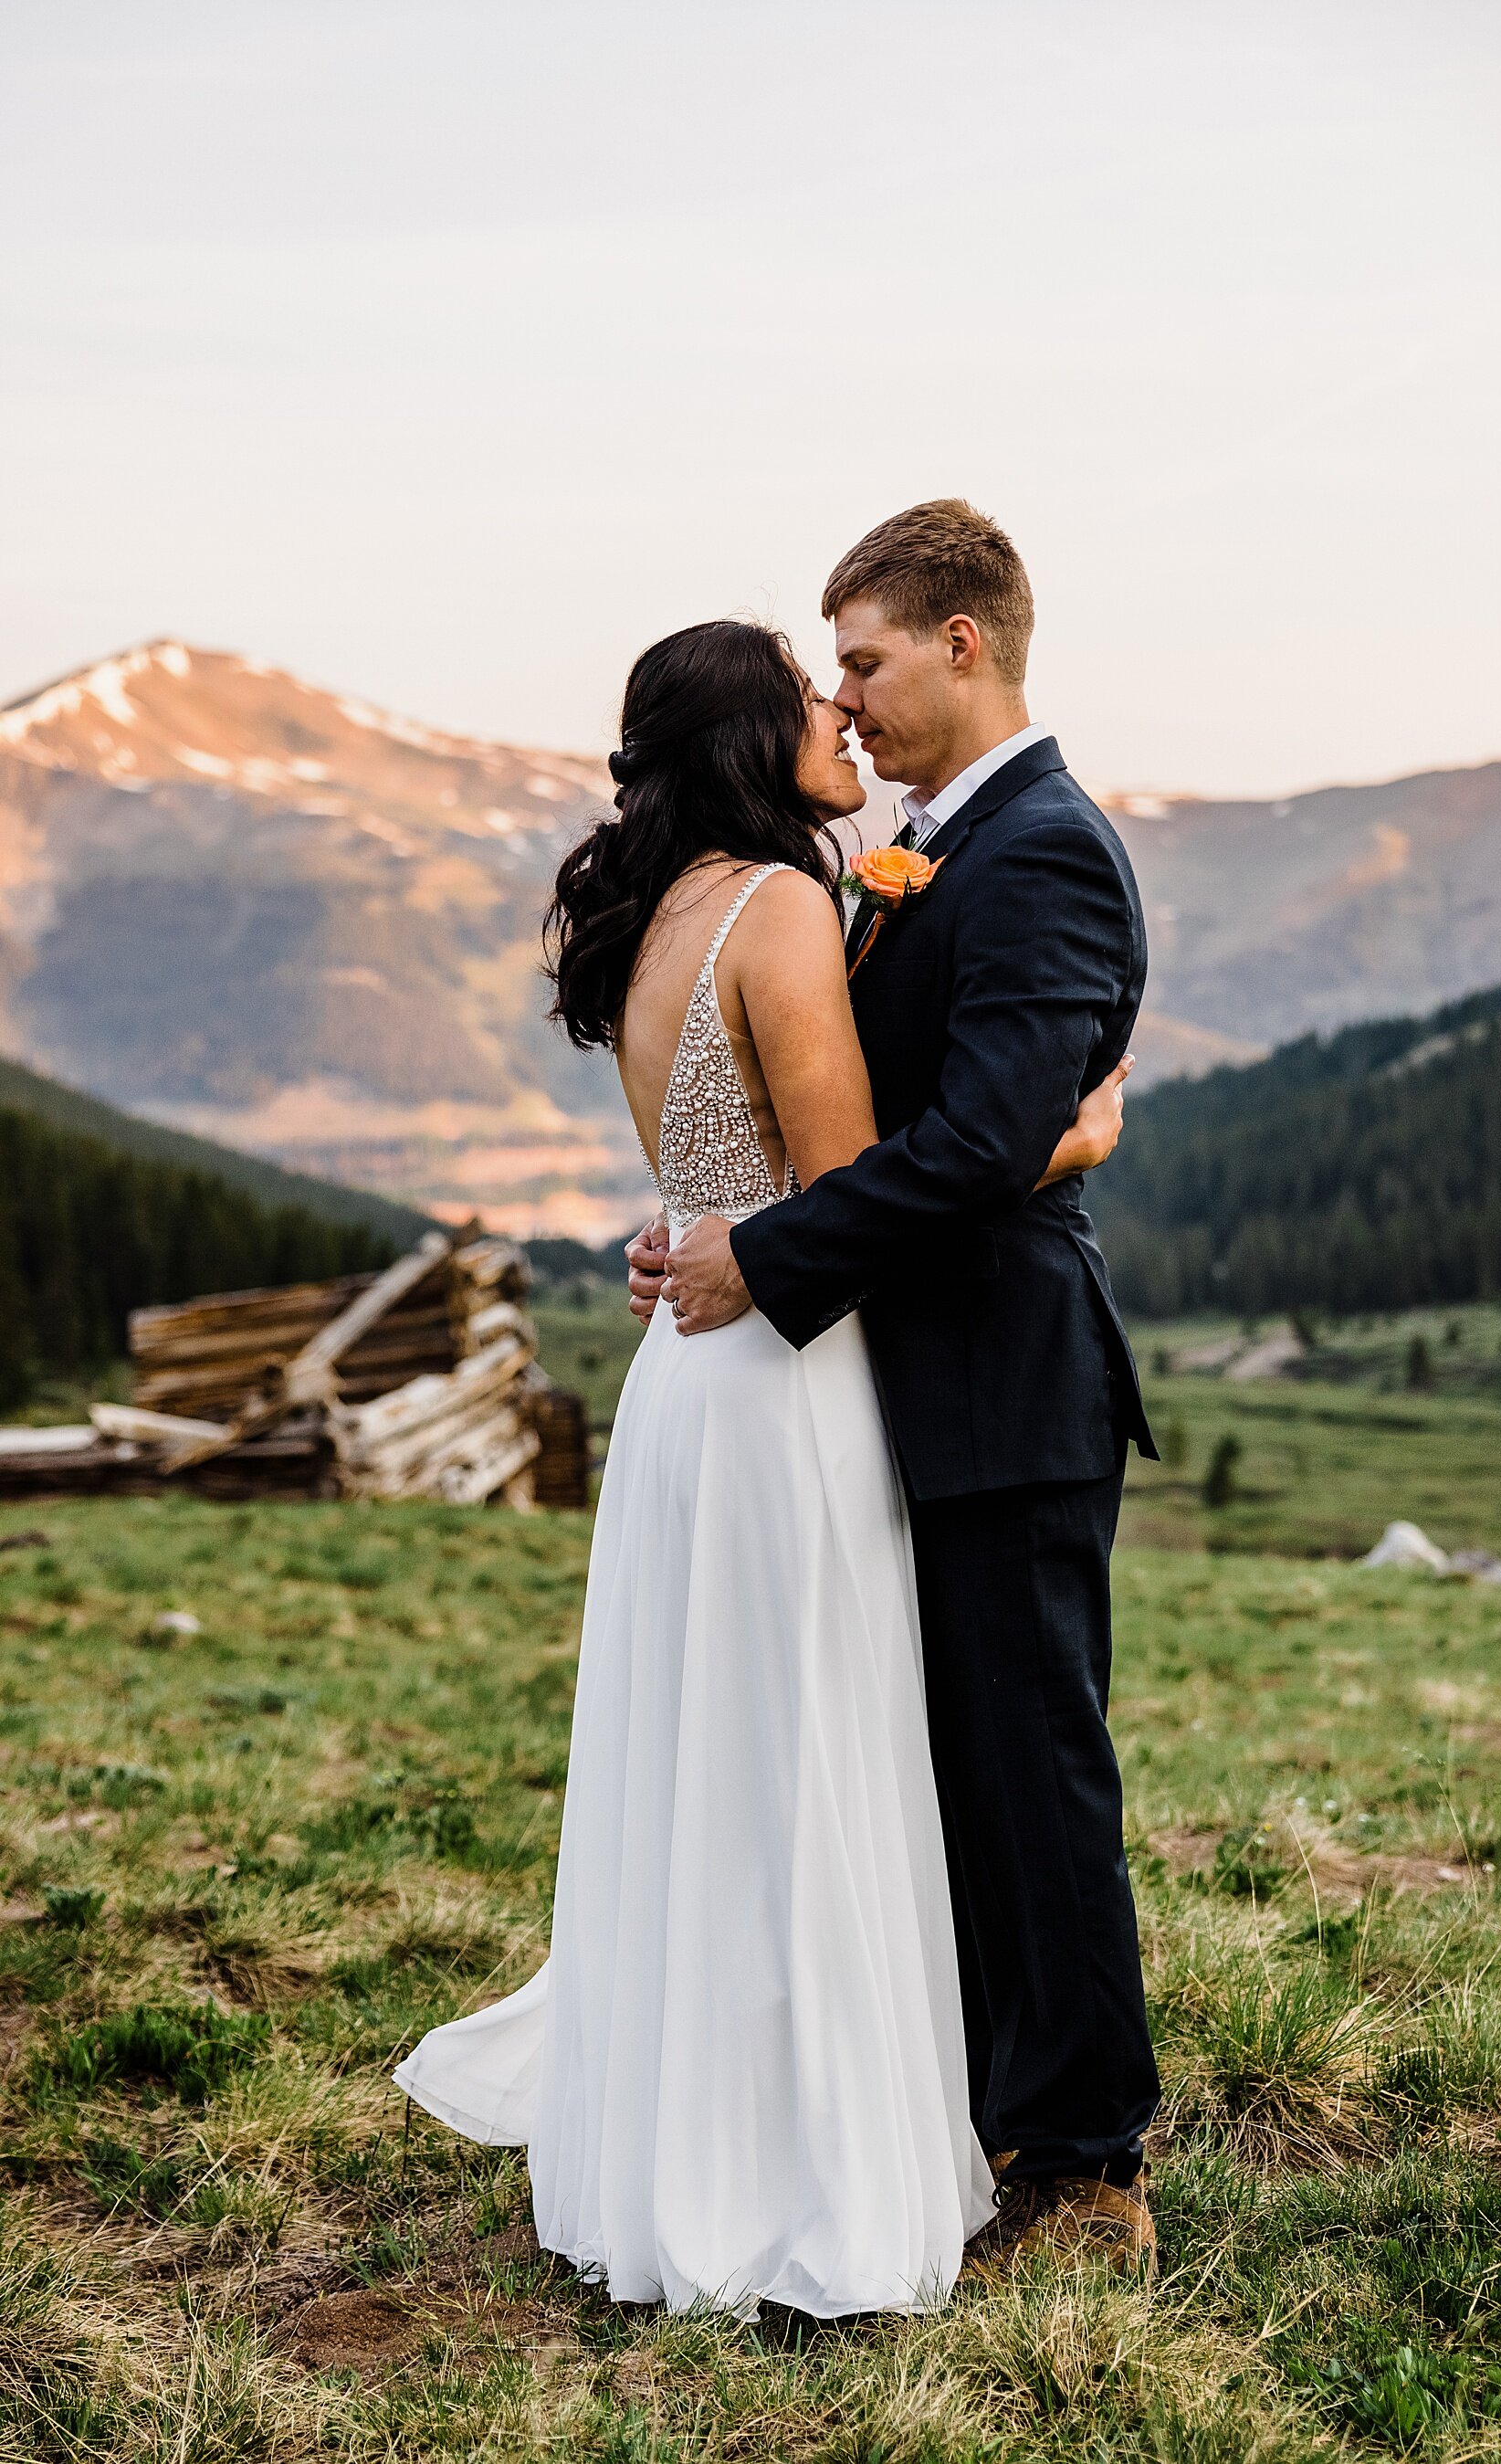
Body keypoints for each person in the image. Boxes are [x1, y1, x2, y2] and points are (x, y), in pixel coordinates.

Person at [394, 616, 1128, 2317]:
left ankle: (687, 2135)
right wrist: (1071, 1128)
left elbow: (737, 1179)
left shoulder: (663, 917)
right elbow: (857, 1168)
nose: (837, 706)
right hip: (788, 1381)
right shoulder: (790, 902)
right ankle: (805, 2159)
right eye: (812, 687)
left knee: (705, 1764)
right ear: (748, 733)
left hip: (687, 1381)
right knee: (804, 1759)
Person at [646, 500, 1162, 2264]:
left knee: (1031, 1774)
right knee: (939, 1771)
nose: (846, 701)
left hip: (1002, 1386)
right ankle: (969, 2111)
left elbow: (978, 1144)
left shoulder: (1044, 850)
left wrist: (762, 1256)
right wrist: (721, 1224)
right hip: (893, 1381)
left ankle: (1089, 2167)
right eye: (827, 672)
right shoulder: (927, 847)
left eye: (861, 658)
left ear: (962, 640)